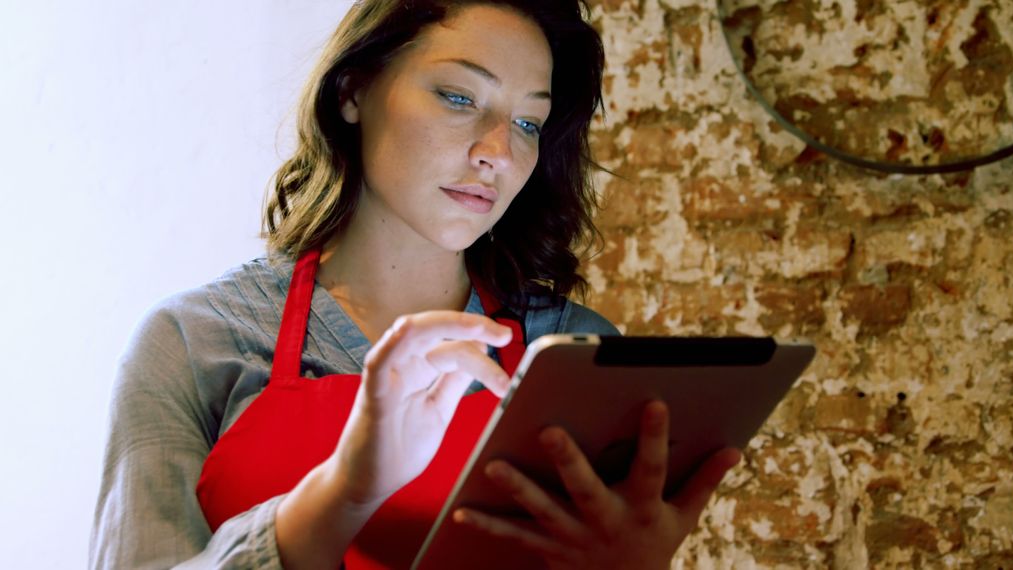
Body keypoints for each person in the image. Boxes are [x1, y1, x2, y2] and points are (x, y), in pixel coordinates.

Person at [90, 1, 742, 568]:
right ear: (352, 91)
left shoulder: (574, 352)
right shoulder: (192, 342)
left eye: (527, 123)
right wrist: (345, 490)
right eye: (459, 97)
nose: (499, 152)